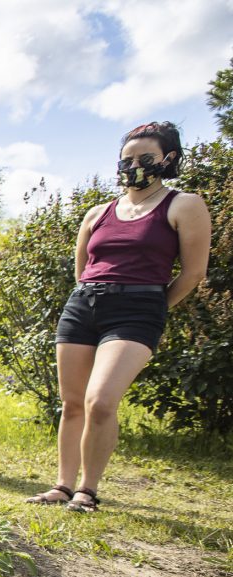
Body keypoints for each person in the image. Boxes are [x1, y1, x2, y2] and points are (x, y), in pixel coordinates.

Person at [26, 121, 211, 512]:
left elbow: (193, 273)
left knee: (101, 400)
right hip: (84, 305)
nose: (134, 166)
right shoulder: (98, 212)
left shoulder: (184, 204)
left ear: (169, 159)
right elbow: (82, 269)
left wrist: (154, 307)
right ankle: (62, 484)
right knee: (73, 402)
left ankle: (87, 489)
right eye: (127, 159)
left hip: (138, 310)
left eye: (146, 158)